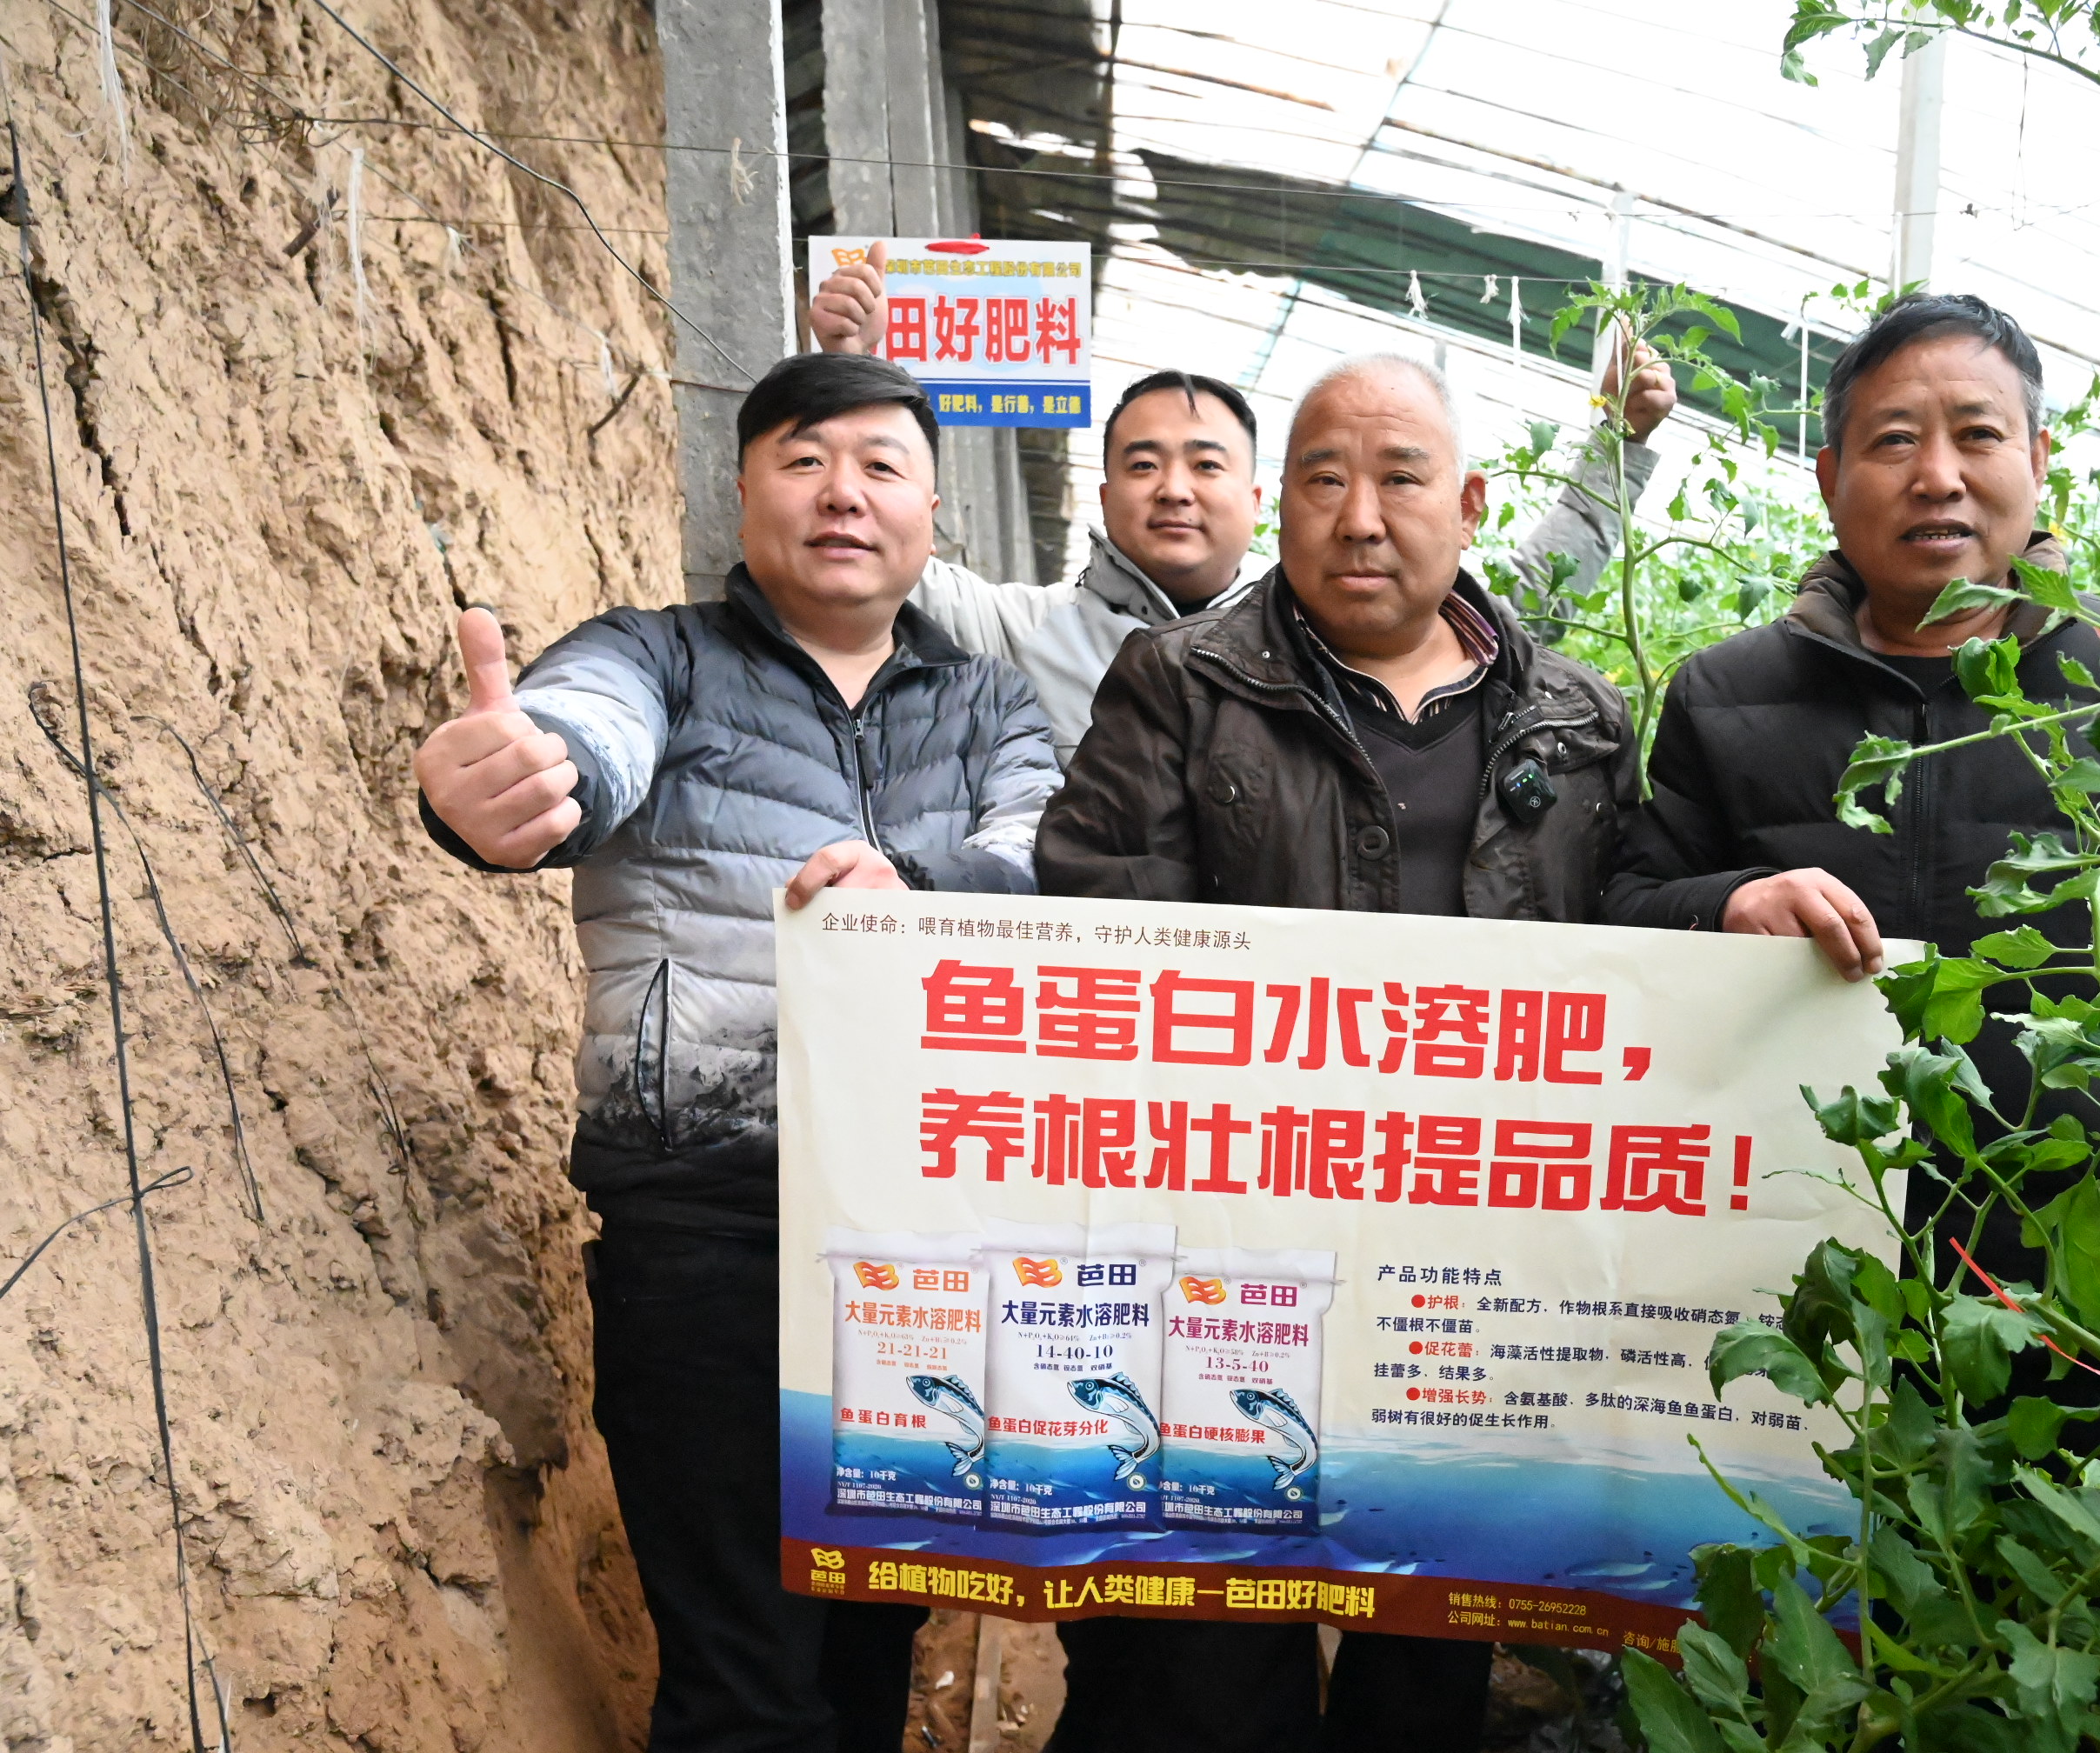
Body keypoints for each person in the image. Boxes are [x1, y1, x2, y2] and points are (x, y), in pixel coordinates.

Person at [411, 352, 1060, 1752]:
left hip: (922, 1243)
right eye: (804, 458)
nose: (843, 492)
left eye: (881, 465)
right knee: (739, 1677)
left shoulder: (991, 706)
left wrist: (915, 884)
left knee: (870, 1653)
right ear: (745, 489)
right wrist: (526, 776)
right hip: (706, 1224)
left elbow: (1041, 854)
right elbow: (583, 737)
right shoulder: (655, 657)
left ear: (932, 513)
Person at [1605, 291, 2100, 1428]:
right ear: (1830, 478)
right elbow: (1624, 915)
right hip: (1787, 1272)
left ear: (2038, 460)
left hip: (2076, 1286)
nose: (1938, 476)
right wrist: (1730, 903)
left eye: (1978, 434)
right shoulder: (1727, 694)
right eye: (1894, 441)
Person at [1033, 353, 1637, 1751]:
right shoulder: (1182, 685)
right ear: (1280, 506)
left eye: (1400, 478)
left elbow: (1630, 967)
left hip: (1468, 1287)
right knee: (1205, 1667)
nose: (1360, 516)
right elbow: (1101, 939)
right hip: (1232, 1273)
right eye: (1323, 479)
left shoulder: (1577, 722)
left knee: (1425, 1671)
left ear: (1470, 507)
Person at [810, 256, 1676, 763]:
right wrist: (852, 374)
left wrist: (1618, 446)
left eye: (1206, 464)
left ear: (1261, 499)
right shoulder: (1024, 630)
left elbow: (1519, 598)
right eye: (1143, 465)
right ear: (1105, 496)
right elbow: (864, 550)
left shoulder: (1322, 623)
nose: (1175, 488)